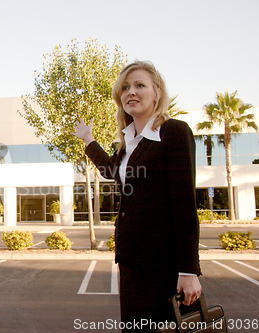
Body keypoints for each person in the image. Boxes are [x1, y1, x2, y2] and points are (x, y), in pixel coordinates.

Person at [73, 60, 202, 331]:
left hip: (163, 266)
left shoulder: (173, 133)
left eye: (139, 85)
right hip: (130, 262)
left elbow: (184, 205)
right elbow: (110, 171)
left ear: (156, 93)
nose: (130, 92)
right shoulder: (129, 143)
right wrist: (88, 140)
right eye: (125, 88)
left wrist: (189, 271)